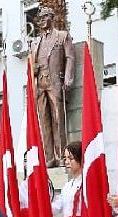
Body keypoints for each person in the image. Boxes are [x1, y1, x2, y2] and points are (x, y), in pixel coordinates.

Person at [31, 6, 75, 167]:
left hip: (55, 82)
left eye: (44, 17)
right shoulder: (36, 42)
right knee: (44, 122)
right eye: (40, 19)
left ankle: (62, 155)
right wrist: (33, 68)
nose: (41, 21)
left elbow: (70, 57)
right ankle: (49, 157)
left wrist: (68, 77)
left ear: (52, 17)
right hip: (40, 84)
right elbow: (31, 63)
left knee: (58, 119)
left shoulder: (62, 36)